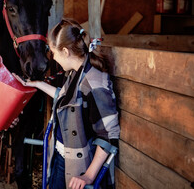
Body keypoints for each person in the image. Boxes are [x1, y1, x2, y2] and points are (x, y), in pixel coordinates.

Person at [13, 19, 120, 189]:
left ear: (64, 51)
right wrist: (36, 84)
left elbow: (108, 134)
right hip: (61, 156)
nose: (53, 58)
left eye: (53, 52)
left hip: (79, 166)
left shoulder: (95, 84)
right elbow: (65, 100)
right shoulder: (74, 75)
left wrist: (88, 176)